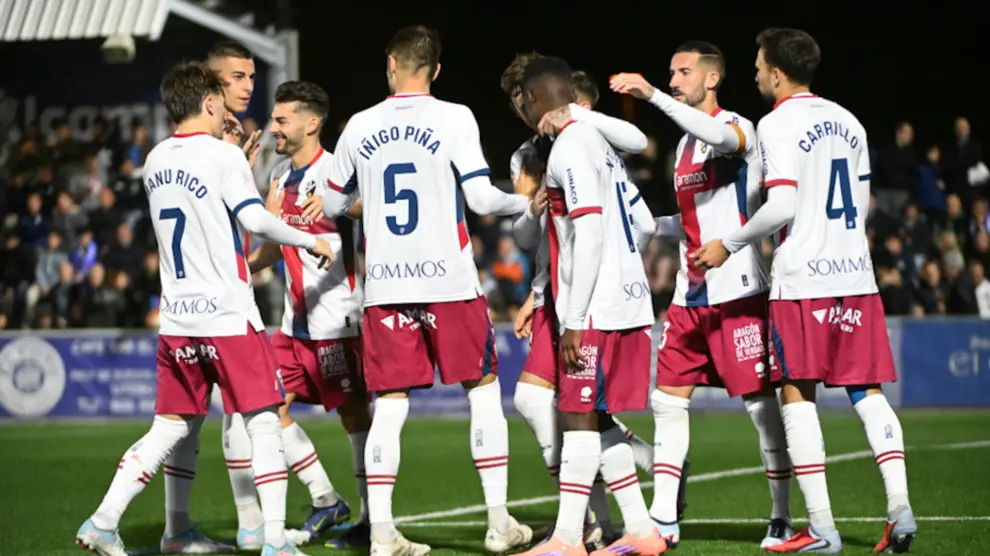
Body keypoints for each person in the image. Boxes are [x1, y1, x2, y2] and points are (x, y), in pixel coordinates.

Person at [75, 61, 333, 556]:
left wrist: (230, 151)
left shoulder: (153, 160)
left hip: (178, 320)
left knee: (170, 427)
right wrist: (309, 240)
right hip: (228, 317)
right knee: (262, 422)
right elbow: (254, 219)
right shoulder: (222, 157)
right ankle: (275, 542)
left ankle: (104, 521)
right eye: (223, 101)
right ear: (212, 103)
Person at [692, 28, 916, 554]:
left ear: (776, 71)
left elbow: (784, 206)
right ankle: (901, 507)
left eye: (757, 64)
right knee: (868, 393)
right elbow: (860, 207)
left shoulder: (775, 124)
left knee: (796, 392)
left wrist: (730, 240)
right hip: (855, 277)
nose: (753, 73)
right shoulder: (851, 122)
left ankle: (820, 528)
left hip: (804, 281)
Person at [320, 25, 533, 556]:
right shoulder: (455, 116)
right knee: (482, 390)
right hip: (448, 280)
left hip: (386, 286)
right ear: (435, 70)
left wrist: (358, 204)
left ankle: (384, 533)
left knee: (389, 404)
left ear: (390, 64)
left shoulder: (359, 127)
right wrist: (529, 201)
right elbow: (483, 199)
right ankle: (499, 523)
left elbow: (326, 205)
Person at [610, 40, 792, 549]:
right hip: (691, 298)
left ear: (712, 79)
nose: (673, 80)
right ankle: (663, 518)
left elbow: (718, 137)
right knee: (666, 402)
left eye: (683, 72)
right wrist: (645, 226)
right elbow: (693, 218)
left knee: (760, 409)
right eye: (669, 74)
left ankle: (781, 515)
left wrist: (650, 96)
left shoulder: (738, 127)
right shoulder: (685, 149)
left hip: (738, 293)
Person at [502, 54, 673, 546]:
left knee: (576, 414)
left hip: (592, 306)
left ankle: (567, 538)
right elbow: (636, 219)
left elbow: (591, 232)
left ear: (533, 99)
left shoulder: (569, 149)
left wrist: (573, 319)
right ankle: (640, 530)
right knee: (591, 414)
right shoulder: (595, 141)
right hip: (619, 298)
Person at [243, 81, 374, 550]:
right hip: (290, 325)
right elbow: (275, 244)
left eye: (282, 120)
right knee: (263, 408)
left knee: (355, 417)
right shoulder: (279, 176)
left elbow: (374, 210)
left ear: (311, 122)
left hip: (336, 321)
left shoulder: (339, 170)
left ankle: (370, 519)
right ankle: (324, 497)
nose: (274, 127)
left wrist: (345, 204)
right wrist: (241, 268)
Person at [153, 40, 270, 554]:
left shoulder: (190, 147)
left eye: (250, 76)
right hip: (222, 303)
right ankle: (256, 526)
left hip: (190, 303)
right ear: (211, 88)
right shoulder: (214, 144)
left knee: (199, 419)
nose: (247, 86)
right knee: (255, 412)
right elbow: (249, 218)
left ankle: (183, 528)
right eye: (237, 78)